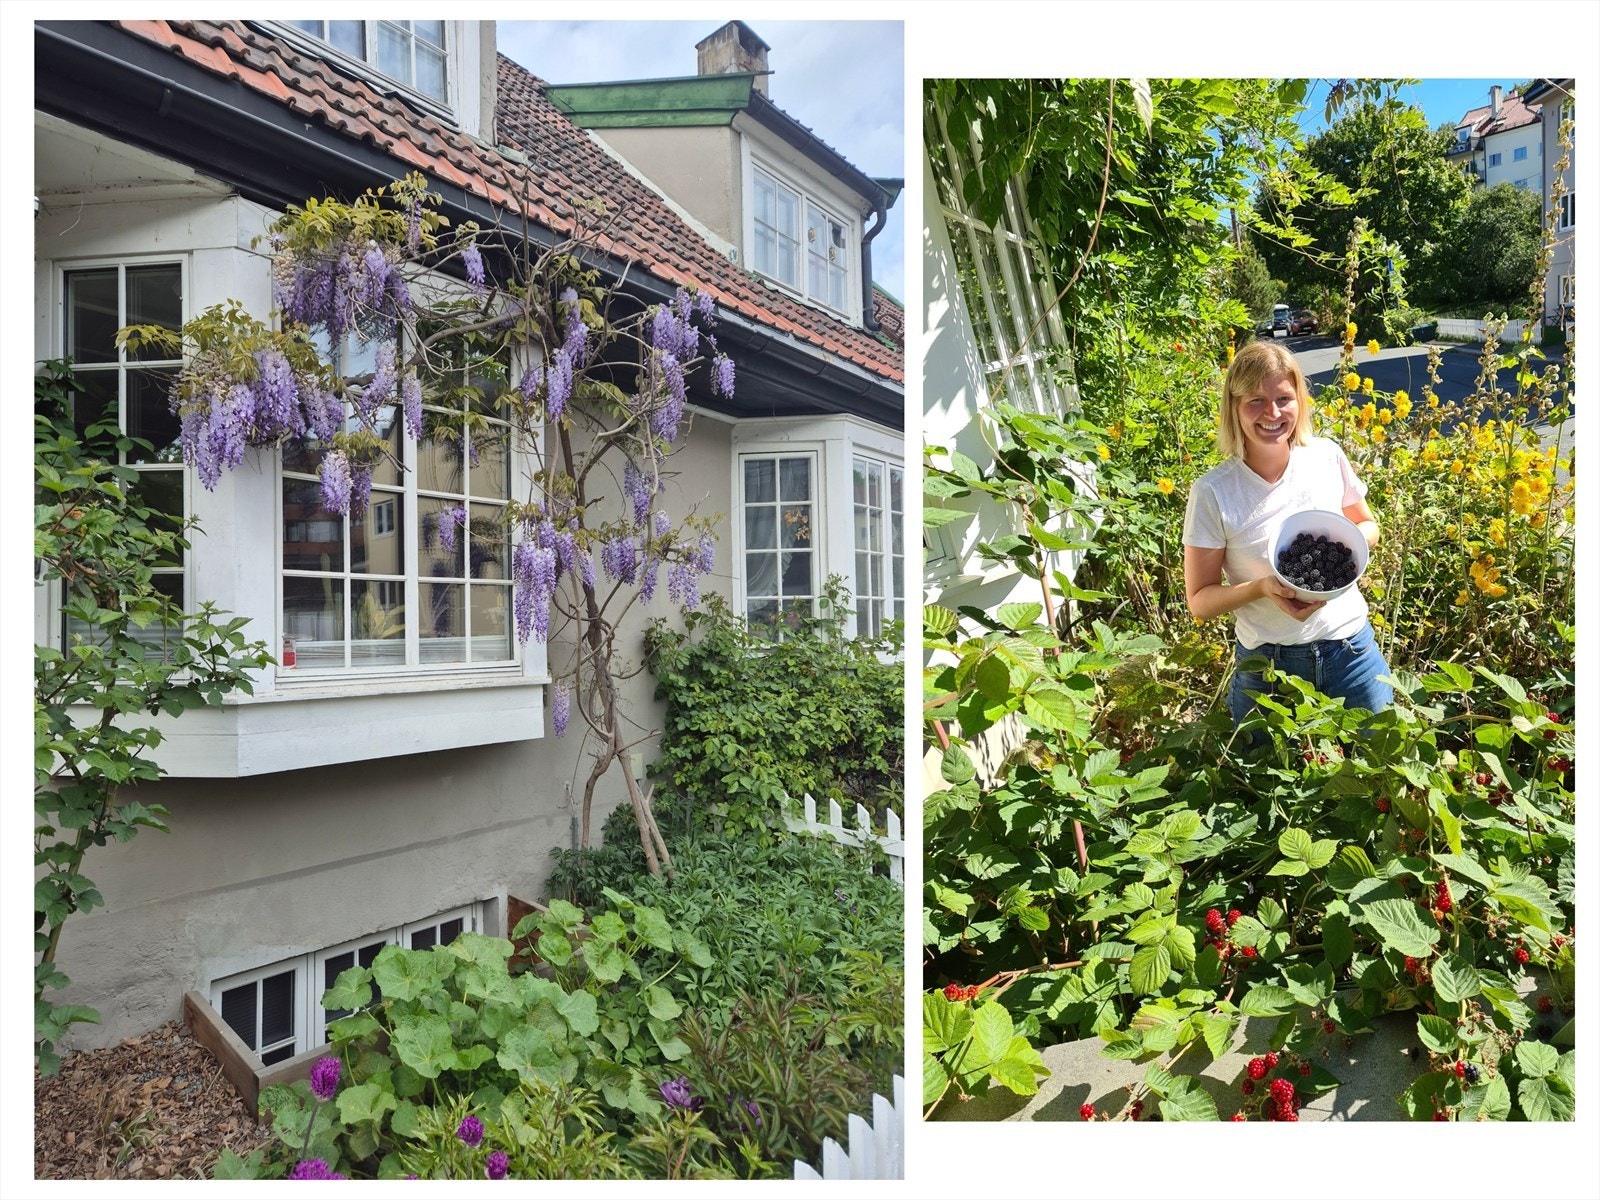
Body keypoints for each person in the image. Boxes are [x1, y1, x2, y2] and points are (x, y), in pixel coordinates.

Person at [1182, 340, 1392, 727]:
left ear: (1300, 401)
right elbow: (1200, 601)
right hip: (1267, 667)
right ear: (1234, 407)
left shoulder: (1326, 456)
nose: (1273, 413)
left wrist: (1349, 543)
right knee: (1267, 783)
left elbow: (1368, 524)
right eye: (1255, 401)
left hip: (1351, 651)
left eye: (1284, 397)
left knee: (1382, 769)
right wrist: (1263, 587)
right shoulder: (1214, 491)